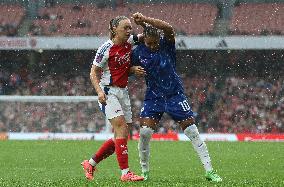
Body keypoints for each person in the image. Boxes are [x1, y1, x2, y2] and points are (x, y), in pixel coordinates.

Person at [131, 13, 222, 182]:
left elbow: (168, 28)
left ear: (159, 40)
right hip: (153, 97)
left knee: (192, 132)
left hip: (175, 95)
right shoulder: (138, 51)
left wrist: (145, 20)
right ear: (144, 41)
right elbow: (125, 66)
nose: (152, 46)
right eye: (149, 43)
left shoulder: (166, 45)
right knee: (144, 133)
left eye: (154, 43)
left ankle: (210, 171)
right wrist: (132, 70)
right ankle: (145, 172)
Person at [81, 15, 146, 182]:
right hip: (108, 91)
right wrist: (99, 92)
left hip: (123, 92)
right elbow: (93, 72)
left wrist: (145, 22)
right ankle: (125, 173)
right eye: (125, 28)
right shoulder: (106, 48)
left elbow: (147, 36)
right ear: (114, 29)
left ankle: (90, 163)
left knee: (123, 134)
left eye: (130, 27)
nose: (129, 31)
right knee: (121, 129)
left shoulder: (129, 42)